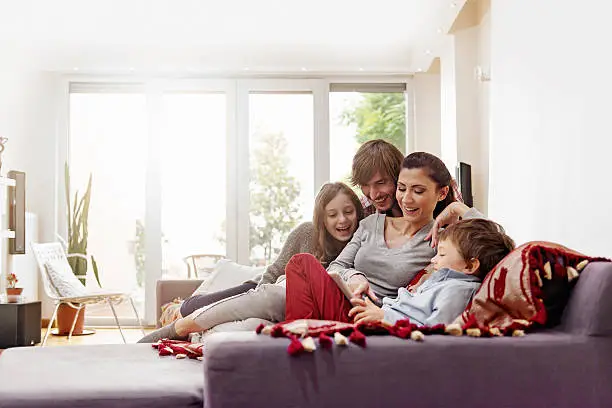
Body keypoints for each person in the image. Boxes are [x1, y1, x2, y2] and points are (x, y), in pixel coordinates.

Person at [138, 182, 364, 343]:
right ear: (322, 219)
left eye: (348, 212)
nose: (342, 220)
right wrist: (255, 297)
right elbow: (275, 271)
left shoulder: (361, 243)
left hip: (292, 307)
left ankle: (196, 336)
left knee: (247, 326)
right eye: (332, 215)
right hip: (262, 290)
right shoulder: (306, 233)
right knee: (191, 307)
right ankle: (174, 328)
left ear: (358, 212)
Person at [285, 151, 484, 322]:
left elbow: (496, 249)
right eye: (402, 188)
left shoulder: (442, 241)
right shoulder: (371, 223)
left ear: (442, 194)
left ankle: (300, 342)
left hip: (375, 314)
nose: (406, 199)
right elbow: (336, 266)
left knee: (300, 266)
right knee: (301, 264)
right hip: (346, 300)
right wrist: (354, 276)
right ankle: (303, 339)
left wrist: (458, 208)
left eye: (418, 191)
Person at [347, 218, 515, 326]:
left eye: (442, 254)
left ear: (470, 266)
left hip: (384, 325)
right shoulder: (444, 282)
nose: (433, 260)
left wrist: (384, 317)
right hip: (378, 313)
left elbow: (436, 330)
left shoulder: (458, 290)